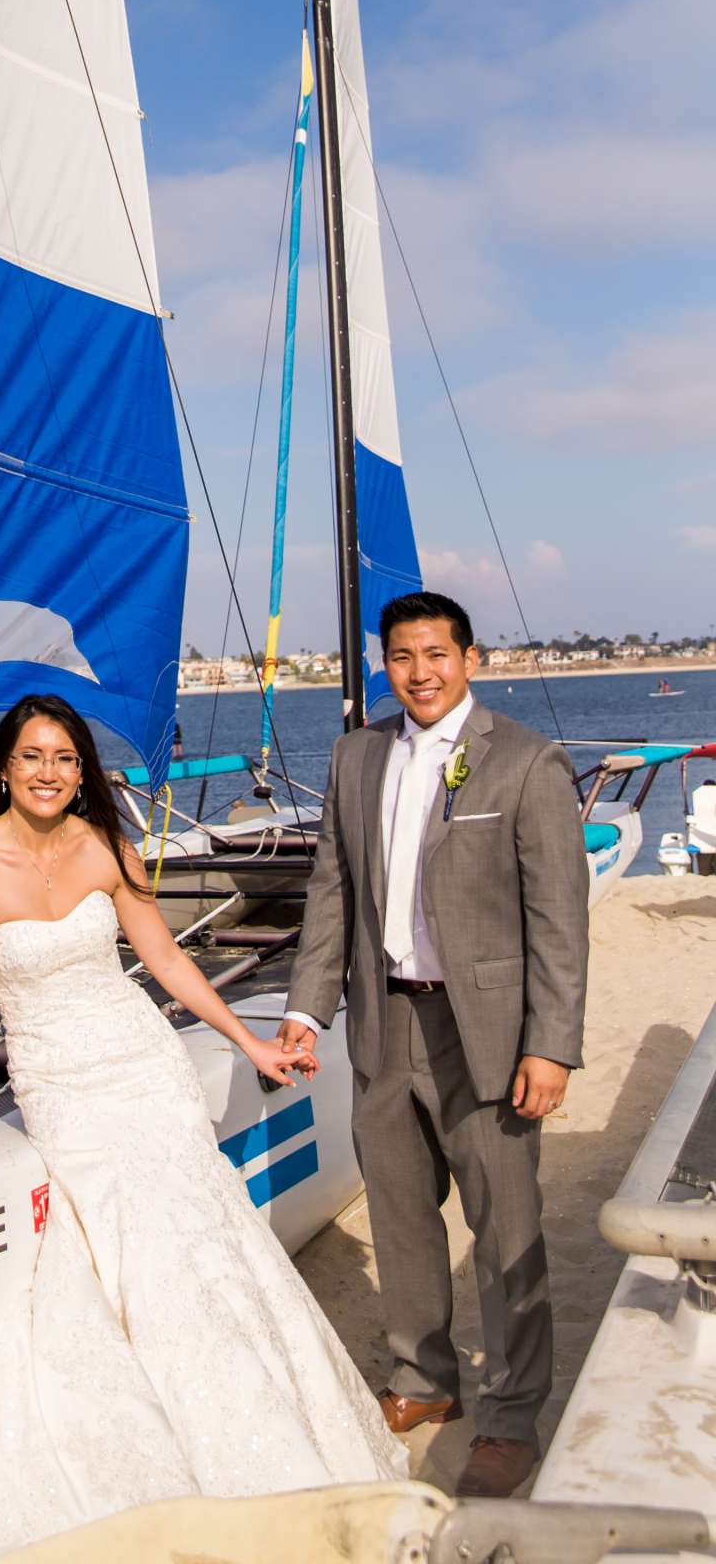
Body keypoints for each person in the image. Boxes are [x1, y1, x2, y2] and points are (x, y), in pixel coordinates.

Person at [0, 693, 402, 1564]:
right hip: (63, 1086)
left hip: (145, 1069)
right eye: (32, 757)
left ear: (80, 768)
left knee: (201, 1247)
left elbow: (165, 960)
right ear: (2, 768)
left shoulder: (109, 847)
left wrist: (248, 1038)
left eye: (64, 757)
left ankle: (262, 1442)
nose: (49, 772)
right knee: (132, 1254)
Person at [279, 591, 589, 1500]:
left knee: (505, 1229)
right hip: (385, 1019)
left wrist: (552, 1047)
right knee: (402, 1217)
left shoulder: (529, 764)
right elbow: (332, 891)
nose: (419, 672)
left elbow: (559, 925)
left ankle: (510, 1416)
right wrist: (307, 1009)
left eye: (436, 655)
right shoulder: (356, 755)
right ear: (385, 664)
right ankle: (423, 1381)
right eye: (402, 657)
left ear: (469, 658)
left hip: (486, 1033)